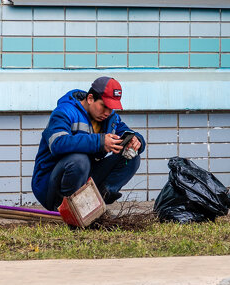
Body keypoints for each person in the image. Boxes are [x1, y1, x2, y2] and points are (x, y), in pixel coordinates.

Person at [31, 76, 145, 212]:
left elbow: (127, 132)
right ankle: (66, 209)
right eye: (104, 106)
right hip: (51, 186)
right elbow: (57, 144)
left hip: (84, 177)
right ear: (90, 98)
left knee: (131, 157)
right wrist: (100, 142)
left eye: (112, 108)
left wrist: (136, 140)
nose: (107, 113)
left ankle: (95, 204)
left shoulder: (111, 118)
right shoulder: (64, 112)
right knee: (80, 159)